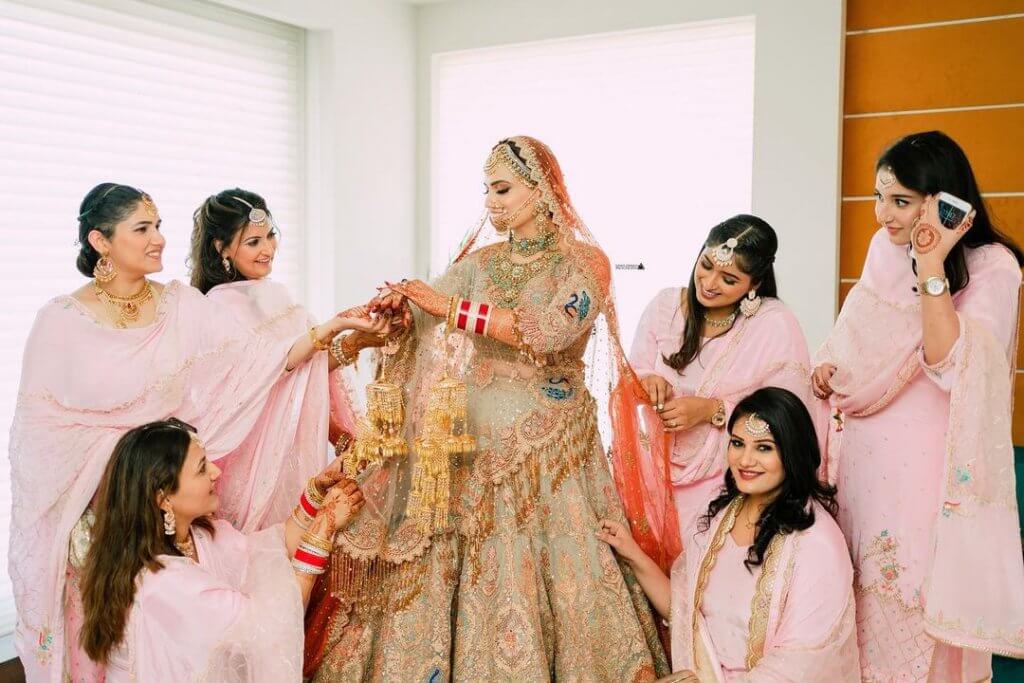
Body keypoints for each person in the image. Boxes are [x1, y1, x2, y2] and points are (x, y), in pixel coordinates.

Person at [306, 137, 668, 681]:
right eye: (487, 191)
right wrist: (395, 317)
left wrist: (443, 305)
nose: (491, 203)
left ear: (542, 190)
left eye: (503, 189)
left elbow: (547, 332)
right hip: (470, 441)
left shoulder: (584, 263)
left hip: (548, 442)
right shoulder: (479, 263)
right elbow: (427, 325)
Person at [9, 183, 377, 682]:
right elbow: (40, 437)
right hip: (99, 519)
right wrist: (120, 469)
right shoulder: (60, 321)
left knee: (196, 645)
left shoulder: (182, 306)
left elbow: (252, 369)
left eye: (158, 226)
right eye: (142, 229)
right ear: (100, 240)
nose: (159, 239)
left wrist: (324, 336)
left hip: (165, 500)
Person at [814, 130, 1024, 680]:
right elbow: (854, 333)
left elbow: (952, 362)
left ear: (943, 200)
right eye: (879, 196)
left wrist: (933, 263)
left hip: (926, 474)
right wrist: (830, 364)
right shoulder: (885, 249)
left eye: (901, 201)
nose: (884, 214)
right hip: (864, 464)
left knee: (910, 607)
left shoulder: (993, 266)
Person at [598, 387, 859, 682]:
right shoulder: (720, 517)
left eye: (764, 447)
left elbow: (802, 665)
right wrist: (631, 554)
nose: (745, 460)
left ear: (792, 452)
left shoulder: (817, 543)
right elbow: (686, 615)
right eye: (737, 443)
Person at [80, 418, 364, 681]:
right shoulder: (163, 585)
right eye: (202, 468)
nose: (216, 472)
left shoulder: (197, 537)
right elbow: (267, 627)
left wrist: (315, 494)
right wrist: (323, 528)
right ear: (164, 499)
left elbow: (268, 553)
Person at [190, 188, 387, 531]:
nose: (267, 249)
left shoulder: (276, 296)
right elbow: (271, 368)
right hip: (250, 460)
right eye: (253, 242)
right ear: (221, 249)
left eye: (270, 236)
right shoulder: (215, 309)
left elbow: (306, 370)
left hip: (294, 450)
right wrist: (337, 324)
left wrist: (360, 340)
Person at [629, 215, 819, 533]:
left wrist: (712, 410)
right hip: (651, 471)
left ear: (755, 284)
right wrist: (646, 381)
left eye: (729, 279)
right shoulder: (665, 307)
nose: (709, 283)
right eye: (706, 265)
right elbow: (631, 374)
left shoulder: (772, 324)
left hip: (728, 480)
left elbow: (788, 413)